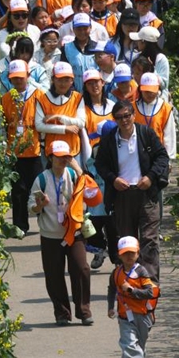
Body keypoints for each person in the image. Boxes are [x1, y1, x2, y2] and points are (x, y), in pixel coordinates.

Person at [95, 101, 169, 284]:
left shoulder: (146, 133)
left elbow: (162, 157)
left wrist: (150, 177)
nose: (124, 120)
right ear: (115, 120)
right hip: (122, 195)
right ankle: (129, 283)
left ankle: (149, 285)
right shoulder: (110, 139)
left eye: (127, 116)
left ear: (133, 115)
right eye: (119, 118)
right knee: (128, 242)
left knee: (149, 241)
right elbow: (100, 164)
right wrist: (113, 179)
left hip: (146, 193)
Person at [28, 140, 92, 325]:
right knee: (54, 275)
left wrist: (77, 168)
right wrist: (40, 205)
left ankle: (84, 311)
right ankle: (62, 313)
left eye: (67, 156)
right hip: (50, 235)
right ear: (50, 157)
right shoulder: (41, 179)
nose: (63, 159)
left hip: (74, 232)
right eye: (60, 156)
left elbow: (90, 192)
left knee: (82, 269)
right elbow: (31, 208)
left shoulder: (73, 175)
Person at [107, 236, 159, 358]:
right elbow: (112, 289)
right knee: (129, 346)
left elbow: (149, 292)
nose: (129, 256)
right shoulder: (116, 273)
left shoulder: (141, 271)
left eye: (132, 253)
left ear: (138, 253)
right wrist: (110, 307)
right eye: (125, 253)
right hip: (125, 318)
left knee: (139, 348)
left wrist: (131, 290)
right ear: (119, 254)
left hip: (143, 316)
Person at [2, 60, 44, 233]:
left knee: (39, 189)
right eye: (14, 79)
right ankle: (20, 226)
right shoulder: (6, 98)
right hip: (14, 152)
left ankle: (45, 224)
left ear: (28, 76)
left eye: (21, 78)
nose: (18, 81)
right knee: (18, 191)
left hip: (34, 150)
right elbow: (2, 123)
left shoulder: (39, 95)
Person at [82, 69, 118, 268]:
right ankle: (99, 250)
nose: (94, 86)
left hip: (111, 192)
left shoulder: (112, 106)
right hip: (95, 187)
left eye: (97, 82)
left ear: (103, 83)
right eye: (90, 83)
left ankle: (117, 259)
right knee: (93, 224)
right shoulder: (83, 108)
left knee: (114, 227)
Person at [35, 62, 87, 165]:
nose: (63, 83)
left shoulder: (77, 97)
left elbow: (81, 123)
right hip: (51, 151)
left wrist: (58, 117)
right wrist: (65, 129)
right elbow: (39, 126)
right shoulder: (43, 99)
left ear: (72, 81)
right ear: (53, 79)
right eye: (59, 80)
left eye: (67, 80)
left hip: (73, 151)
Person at [133, 73, 176, 160]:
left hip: (158, 154)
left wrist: (169, 159)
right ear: (140, 89)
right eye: (146, 91)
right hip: (136, 154)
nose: (150, 94)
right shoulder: (132, 107)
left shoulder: (165, 108)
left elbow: (169, 135)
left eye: (152, 91)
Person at [129, 26, 169, 100]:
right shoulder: (137, 57)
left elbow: (164, 85)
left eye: (139, 40)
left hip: (159, 98)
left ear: (143, 42)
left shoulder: (161, 59)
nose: (137, 43)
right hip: (139, 96)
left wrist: (152, 70)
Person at [61, 13, 97, 93]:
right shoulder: (66, 48)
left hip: (94, 93)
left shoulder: (97, 48)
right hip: (73, 94)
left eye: (85, 28)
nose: (82, 32)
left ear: (90, 28)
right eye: (79, 29)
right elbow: (65, 74)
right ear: (73, 29)